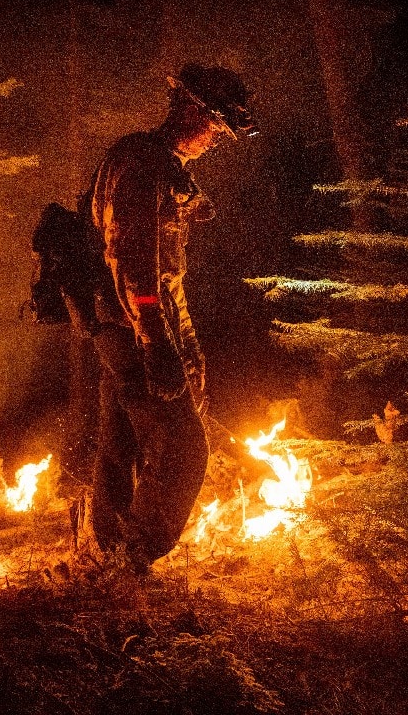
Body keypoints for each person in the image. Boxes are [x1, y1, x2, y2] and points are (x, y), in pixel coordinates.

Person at [80, 63, 256, 573]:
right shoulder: (142, 165)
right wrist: (156, 342)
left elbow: (162, 270)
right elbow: (133, 260)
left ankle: (106, 560)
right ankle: (129, 563)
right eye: (217, 126)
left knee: (121, 445)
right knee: (182, 450)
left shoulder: (159, 163)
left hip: (126, 325)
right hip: (133, 327)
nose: (218, 140)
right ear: (189, 110)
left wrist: (185, 345)